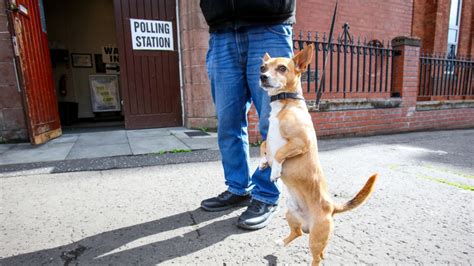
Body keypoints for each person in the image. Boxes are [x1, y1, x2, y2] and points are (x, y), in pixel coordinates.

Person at [199, 0, 296, 230]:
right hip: (221, 32)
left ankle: (266, 194)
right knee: (227, 123)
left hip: (270, 24)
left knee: (273, 123)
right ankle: (237, 187)